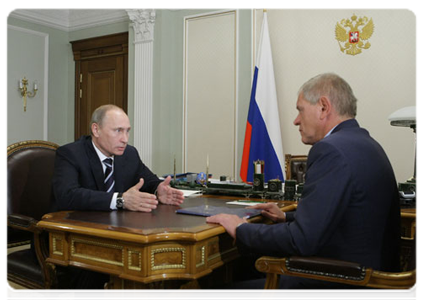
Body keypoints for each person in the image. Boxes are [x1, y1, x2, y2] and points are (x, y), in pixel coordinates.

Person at [206, 73, 401, 300]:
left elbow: (301, 241)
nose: (296, 121)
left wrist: (241, 229)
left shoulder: (331, 150)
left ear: (323, 107)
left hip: (340, 285)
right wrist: (286, 218)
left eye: (300, 110)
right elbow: (344, 216)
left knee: (210, 294)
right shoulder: (367, 143)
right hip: (371, 282)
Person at [52, 104, 184, 299]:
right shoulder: (70, 154)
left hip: (115, 235)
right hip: (71, 238)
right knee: (93, 267)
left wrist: (159, 189)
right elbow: (67, 195)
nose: (125, 139)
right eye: (118, 131)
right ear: (95, 129)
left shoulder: (129, 154)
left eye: (127, 131)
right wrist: (120, 199)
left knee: (148, 266)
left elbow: (147, 179)